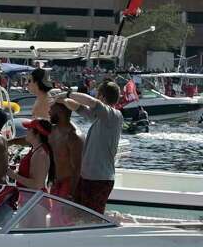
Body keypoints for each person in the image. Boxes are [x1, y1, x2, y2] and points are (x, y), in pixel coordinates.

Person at [58, 81, 123, 213]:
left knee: (92, 218)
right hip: (87, 177)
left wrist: (69, 93)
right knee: (78, 214)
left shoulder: (113, 115)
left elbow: (91, 102)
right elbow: (78, 108)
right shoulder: (100, 117)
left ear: (102, 97)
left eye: (97, 95)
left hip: (100, 179)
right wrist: (63, 100)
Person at [47, 102, 82, 199]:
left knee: (61, 213)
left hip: (68, 185)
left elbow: (77, 169)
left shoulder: (74, 137)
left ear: (60, 111)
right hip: (55, 182)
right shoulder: (52, 130)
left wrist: (71, 193)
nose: (48, 112)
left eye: (51, 109)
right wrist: (11, 142)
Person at [10, 118, 54, 191]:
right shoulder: (36, 149)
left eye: (29, 129)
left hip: (35, 199)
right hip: (30, 196)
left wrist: (12, 174)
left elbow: (37, 185)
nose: (26, 131)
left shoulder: (40, 153)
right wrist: (18, 171)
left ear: (37, 134)